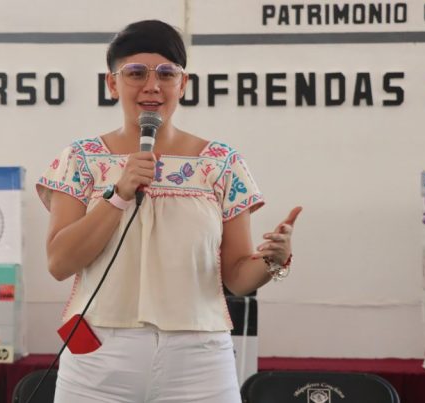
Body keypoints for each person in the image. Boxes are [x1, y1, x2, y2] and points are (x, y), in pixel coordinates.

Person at [36, 19, 302, 403]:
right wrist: (118, 194)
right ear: (112, 83)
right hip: (100, 357)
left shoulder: (222, 163)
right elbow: (60, 263)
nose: (152, 86)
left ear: (183, 84)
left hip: (199, 359)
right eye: (136, 73)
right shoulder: (81, 159)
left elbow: (237, 277)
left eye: (166, 73)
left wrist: (273, 260)